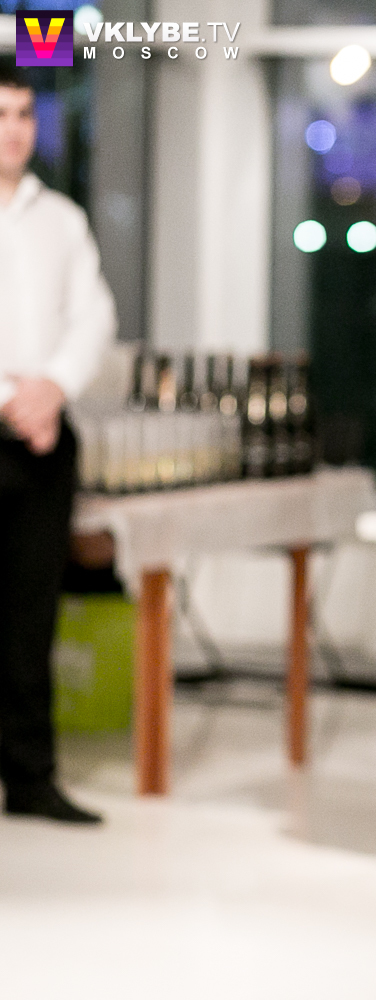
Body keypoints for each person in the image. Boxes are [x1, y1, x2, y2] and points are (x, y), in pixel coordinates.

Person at [0, 58, 115, 825]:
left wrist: (52, 389)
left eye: (23, 115)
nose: (13, 131)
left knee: (31, 616)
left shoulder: (62, 219)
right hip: (16, 416)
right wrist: (12, 399)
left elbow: (94, 317)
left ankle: (31, 778)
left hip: (44, 440)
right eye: (0, 115)